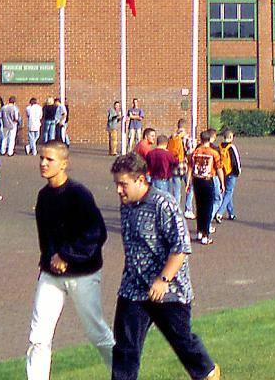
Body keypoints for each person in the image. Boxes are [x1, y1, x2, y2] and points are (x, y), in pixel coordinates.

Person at [109, 153, 221, 380]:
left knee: (183, 343)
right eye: (116, 184)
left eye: (123, 184)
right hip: (133, 289)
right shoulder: (126, 205)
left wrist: (163, 280)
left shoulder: (163, 204)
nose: (119, 190)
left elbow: (180, 248)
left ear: (141, 180)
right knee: (125, 349)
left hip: (169, 291)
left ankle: (207, 372)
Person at [26, 141, 114, 379]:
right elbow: (46, 238)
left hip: (83, 274)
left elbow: (96, 234)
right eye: (41, 158)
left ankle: (123, 373)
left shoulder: (79, 194)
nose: (43, 163)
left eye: (50, 159)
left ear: (64, 163)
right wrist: (53, 257)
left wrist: (66, 255)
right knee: (39, 337)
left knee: (96, 332)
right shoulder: (43, 197)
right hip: (51, 275)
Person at [189, 130, 224, 245]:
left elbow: (190, 167)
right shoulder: (213, 153)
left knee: (199, 206)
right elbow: (219, 168)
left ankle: (199, 231)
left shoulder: (195, 152)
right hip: (207, 181)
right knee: (208, 207)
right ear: (209, 140)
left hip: (197, 180)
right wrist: (222, 182)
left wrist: (189, 182)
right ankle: (205, 234)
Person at [167, 120, 194, 219]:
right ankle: (188, 209)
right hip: (185, 166)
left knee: (176, 190)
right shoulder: (187, 139)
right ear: (185, 127)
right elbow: (190, 153)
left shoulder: (172, 137)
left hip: (174, 166)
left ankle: (176, 210)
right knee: (190, 186)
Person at [215, 130, 241, 222]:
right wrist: (238, 171)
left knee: (227, 192)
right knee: (229, 192)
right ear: (230, 137)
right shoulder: (231, 147)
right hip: (231, 173)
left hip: (222, 172)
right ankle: (219, 213)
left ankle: (231, 213)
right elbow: (236, 161)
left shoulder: (219, 147)